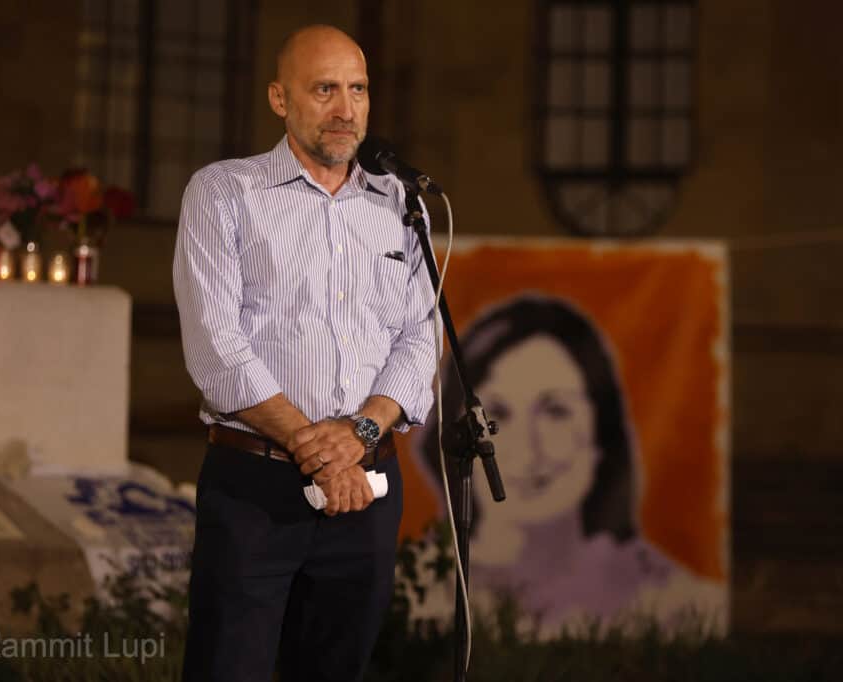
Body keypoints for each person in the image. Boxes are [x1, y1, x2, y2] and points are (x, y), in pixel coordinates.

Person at [172, 24, 437, 681]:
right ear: (279, 99)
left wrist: (360, 433)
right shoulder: (224, 192)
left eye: (358, 90)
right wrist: (316, 449)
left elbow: (418, 338)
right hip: (255, 489)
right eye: (324, 90)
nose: (346, 109)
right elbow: (216, 345)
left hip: (368, 490)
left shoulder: (401, 206)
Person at [419, 294, 718, 631]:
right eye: (499, 412)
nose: (528, 450)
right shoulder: (416, 592)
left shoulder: (673, 604)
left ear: (601, 432)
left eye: (555, 411)